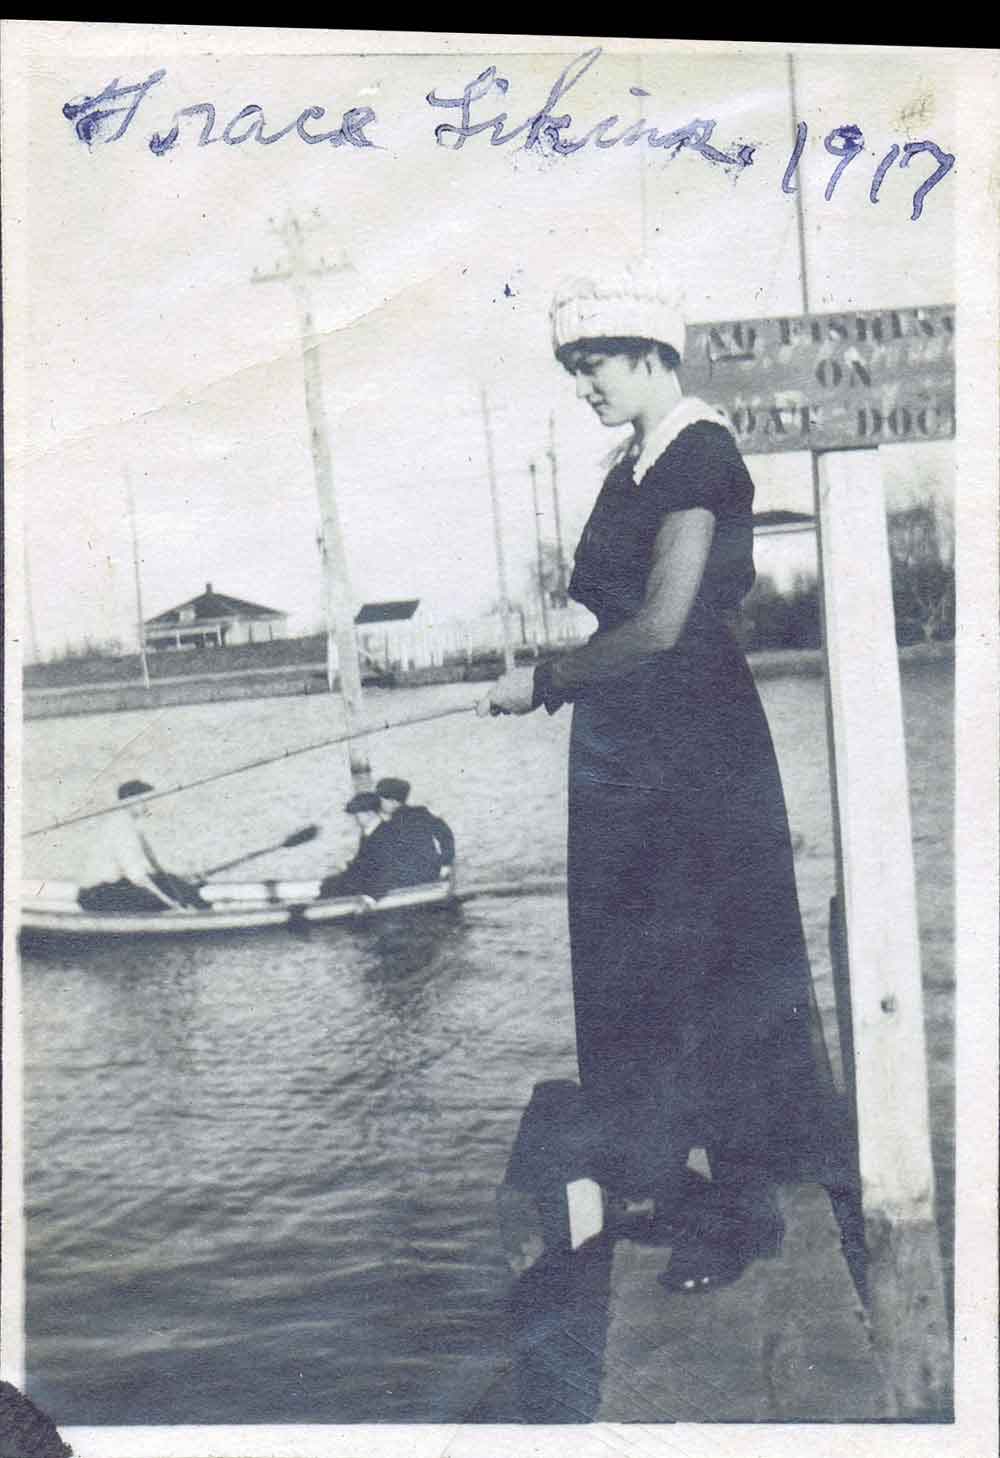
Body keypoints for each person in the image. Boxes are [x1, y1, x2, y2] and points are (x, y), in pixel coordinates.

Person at [479, 262, 843, 1293]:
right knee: (637, 964)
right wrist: (564, 685)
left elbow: (664, 624)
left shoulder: (700, 455)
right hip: (626, 744)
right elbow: (624, 624)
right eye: (573, 370)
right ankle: (665, 1177)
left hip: (693, 743)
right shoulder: (630, 460)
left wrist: (542, 681)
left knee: (715, 965)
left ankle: (741, 1212)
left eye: (594, 366)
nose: (584, 386)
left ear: (650, 357)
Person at [78, 780, 208, 913]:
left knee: (175, 884)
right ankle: (196, 915)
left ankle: (198, 910)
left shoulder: (128, 823)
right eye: (145, 801)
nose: (148, 807)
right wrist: (172, 904)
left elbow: (153, 868)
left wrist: (184, 880)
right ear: (131, 802)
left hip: (109, 888)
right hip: (98, 895)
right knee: (164, 894)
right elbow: (137, 877)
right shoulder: (121, 826)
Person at [319, 788, 452, 900]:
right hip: (379, 879)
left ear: (369, 813)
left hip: (388, 884)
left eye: (357, 815)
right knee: (330, 884)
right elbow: (365, 862)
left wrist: (370, 898)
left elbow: (387, 869)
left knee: (331, 886)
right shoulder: (369, 832)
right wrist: (346, 869)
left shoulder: (385, 833)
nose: (355, 820)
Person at [375, 777, 456, 881]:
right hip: (424, 872)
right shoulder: (422, 813)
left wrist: (445, 864)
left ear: (393, 801)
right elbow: (447, 837)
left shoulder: (419, 815)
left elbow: (446, 836)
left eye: (380, 800)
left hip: (419, 875)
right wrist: (446, 864)